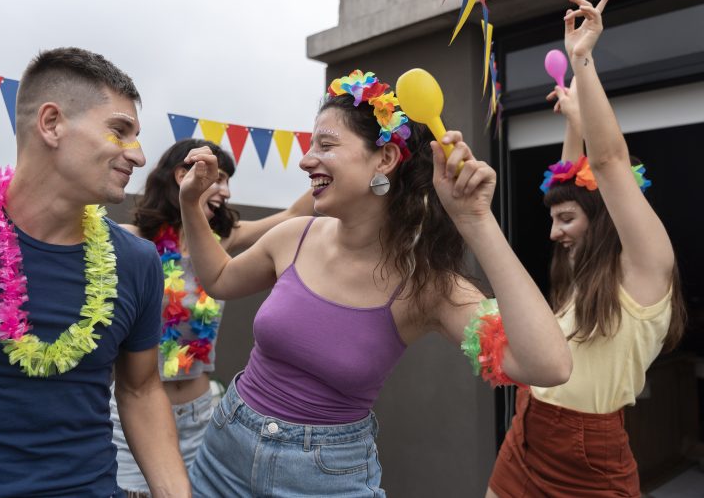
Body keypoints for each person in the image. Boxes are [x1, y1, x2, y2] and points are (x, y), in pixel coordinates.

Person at [177, 69, 573, 496]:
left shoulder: (426, 285)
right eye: (311, 146)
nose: (307, 160)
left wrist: (476, 219)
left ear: (383, 160)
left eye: (326, 145)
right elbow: (217, 277)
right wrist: (190, 203)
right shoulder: (295, 236)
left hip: (324, 480)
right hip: (223, 453)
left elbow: (547, 366)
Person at [0, 47, 190, 498]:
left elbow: (139, 390)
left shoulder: (137, 261)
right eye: (120, 131)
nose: (137, 156)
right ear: (52, 123)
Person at [487, 0, 686, 498]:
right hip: (525, 432)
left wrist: (583, 61)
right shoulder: (584, 272)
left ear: (602, 219)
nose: (554, 233)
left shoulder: (645, 269)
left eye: (567, 220)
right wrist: (574, 124)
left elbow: (610, 163)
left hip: (587, 458)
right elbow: (573, 186)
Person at [110, 138, 313, 496]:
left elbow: (293, 216)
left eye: (227, 181)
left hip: (201, 416)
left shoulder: (220, 242)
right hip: (136, 420)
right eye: (218, 179)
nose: (226, 191)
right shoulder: (136, 242)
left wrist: (335, 168)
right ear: (182, 175)